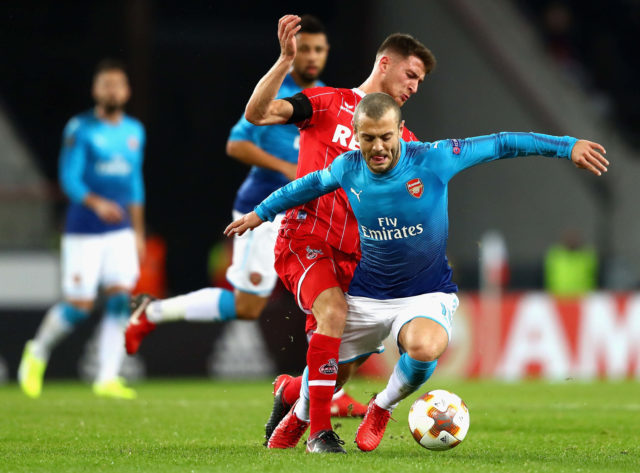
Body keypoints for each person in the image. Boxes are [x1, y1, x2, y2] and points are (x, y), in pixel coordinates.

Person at [226, 92, 609, 452]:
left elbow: (503, 142)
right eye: (368, 138)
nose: (378, 147)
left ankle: (382, 407)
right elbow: (306, 187)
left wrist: (567, 146)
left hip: (425, 292)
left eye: (386, 137)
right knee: (332, 374)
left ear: (400, 129)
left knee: (426, 346)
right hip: (368, 294)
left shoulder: (434, 158)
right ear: (355, 137)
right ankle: (300, 415)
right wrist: (261, 213)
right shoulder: (347, 167)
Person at [123, 15, 364, 416]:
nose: (313, 57)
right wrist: (287, 169)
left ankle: (328, 394)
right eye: (305, 49)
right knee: (249, 305)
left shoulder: (329, 97)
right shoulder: (278, 93)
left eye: (320, 50)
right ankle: (153, 311)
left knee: (331, 299)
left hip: (307, 215)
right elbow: (236, 144)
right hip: (261, 208)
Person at [243, 15, 436, 453]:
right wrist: (284, 62)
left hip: (358, 258)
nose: (414, 86)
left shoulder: (403, 140)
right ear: (384, 63)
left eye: (420, 81)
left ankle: (292, 392)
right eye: (411, 74)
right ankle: (319, 435)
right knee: (332, 312)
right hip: (305, 237)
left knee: (342, 366)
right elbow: (258, 114)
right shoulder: (328, 102)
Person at [18, 59, 146, 399]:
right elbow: (69, 178)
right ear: (95, 90)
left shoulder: (134, 131)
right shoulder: (80, 128)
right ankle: (38, 351)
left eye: (118, 84)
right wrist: (95, 203)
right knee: (79, 306)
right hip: (83, 230)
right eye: (106, 84)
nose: (112, 90)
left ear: (127, 91)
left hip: (120, 231)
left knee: (121, 299)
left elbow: (134, 184)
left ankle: (106, 377)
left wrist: (138, 232)